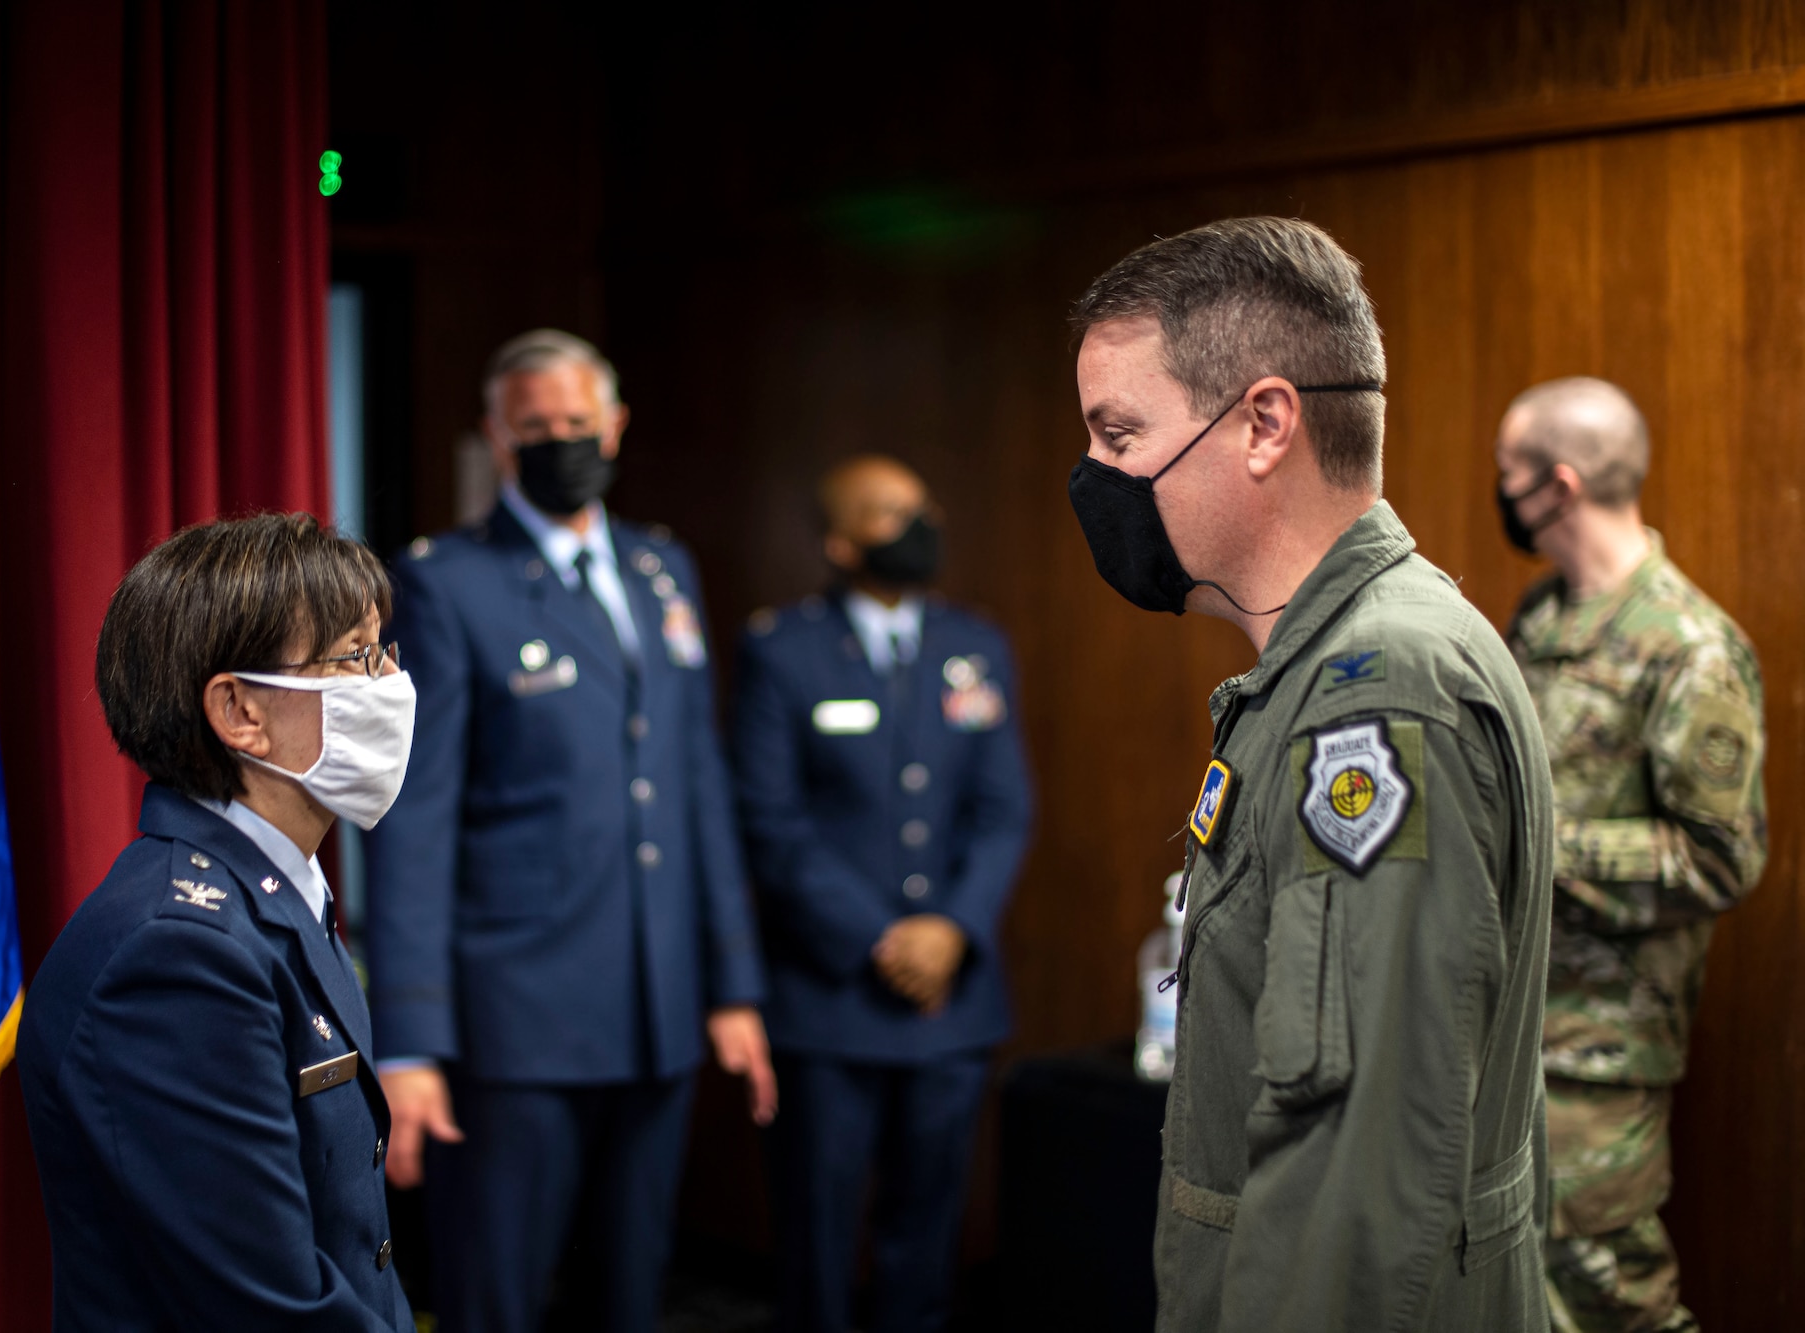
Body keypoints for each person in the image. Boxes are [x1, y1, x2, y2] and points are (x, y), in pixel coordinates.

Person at [1064, 217, 1555, 1331]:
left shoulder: (1373, 694)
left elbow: (1358, 1158)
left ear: (1262, 424)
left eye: (1118, 432)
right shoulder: (1330, 666)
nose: (1092, 477)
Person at [363, 329, 774, 1333]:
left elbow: (695, 787)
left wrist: (731, 985)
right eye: (534, 428)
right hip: (516, 1021)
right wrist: (410, 1038)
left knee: (630, 1293)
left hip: (658, 1005)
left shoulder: (660, 567)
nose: (559, 442)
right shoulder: (446, 581)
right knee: (495, 1296)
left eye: (576, 424)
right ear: (497, 439)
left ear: (615, 425)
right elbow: (413, 819)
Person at [18, 513, 418, 1331]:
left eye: (385, 651)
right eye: (355, 656)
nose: (387, 683)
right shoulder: (177, 950)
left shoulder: (277, 888)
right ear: (240, 711)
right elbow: (268, 1305)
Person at [732, 456, 1033, 1333]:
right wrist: (882, 939)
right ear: (838, 541)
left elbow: (1004, 810)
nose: (916, 523)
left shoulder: (976, 648)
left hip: (953, 1003)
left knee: (927, 1242)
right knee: (819, 1250)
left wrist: (953, 929)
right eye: (888, 512)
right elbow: (770, 820)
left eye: (922, 506)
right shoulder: (782, 650)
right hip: (830, 1003)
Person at [1494, 377, 1766, 1333]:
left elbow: (1719, 858)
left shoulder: (1687, 646)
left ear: (1558, 486)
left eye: (1508, 472)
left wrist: (1540, 841)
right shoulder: (1540, 618)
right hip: (1511, 1029)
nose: (1501, 489)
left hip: (1602, 1053)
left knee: (1610, 1302)